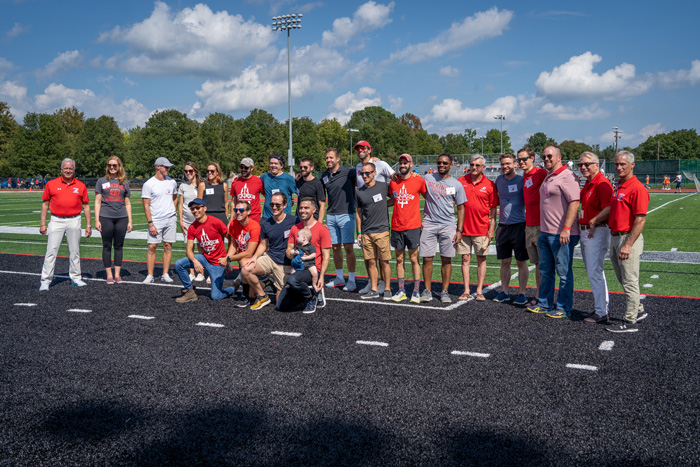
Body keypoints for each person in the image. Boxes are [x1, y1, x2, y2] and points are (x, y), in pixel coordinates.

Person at [526, 146, 580, 318]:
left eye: (550, 156)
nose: (546, 158)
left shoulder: (567, 176)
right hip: (545, 232)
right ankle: (544, 303)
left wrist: (566, 228)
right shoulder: (549, 175)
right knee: (546, 271)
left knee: (563, 273)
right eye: (544, 156)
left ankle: (564, 308)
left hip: (562, 234)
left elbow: (574, 202)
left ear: (559, 157)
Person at [602, 151, 650, 332]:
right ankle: (638, 309)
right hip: (615, 237)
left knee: (629, 280)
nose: (619, 167)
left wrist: (628, 244)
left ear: (632, 165)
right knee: (622, 278)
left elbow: (640, 220)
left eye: (623, 164)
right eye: (616, 164)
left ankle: (630, 321)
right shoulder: (619, 185)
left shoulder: (637, 188)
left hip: (627, 237)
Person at [38, 158, 92, 290]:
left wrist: (89, 225)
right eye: (66, 168)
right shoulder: (51, 184)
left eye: (71, 168)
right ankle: (45, 281)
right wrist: (42, 224)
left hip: (74, 220)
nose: (68, 170)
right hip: (56, 220)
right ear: (61, 170)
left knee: (75, 251)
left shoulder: (80, 185)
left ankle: (76, 277)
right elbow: (45, 204)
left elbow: (86, 206)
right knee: (51, 251)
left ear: (74, 170)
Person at [419, 153, 466, 303]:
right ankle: (427, 290)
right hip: (429, 223)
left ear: (451, 165)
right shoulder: (428, 178)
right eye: (439, 162)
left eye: (445, 163)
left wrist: (459, 230)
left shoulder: (456, 184)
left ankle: (444, 291)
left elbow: (461, 207)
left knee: (447, 259)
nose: (441, 165)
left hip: (448, 226)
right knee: (427, 258)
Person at [240, 193, 299, 309]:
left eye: (278, 204)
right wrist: (254, 257)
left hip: (285, 263)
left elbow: (307, 231)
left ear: (285, 205)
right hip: (270, 258)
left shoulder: (295, 220)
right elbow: (263, 244)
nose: (274, 207)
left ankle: (271, 282)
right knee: (246, 269)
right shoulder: (266, 223)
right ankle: (263, 297)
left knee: (280, 304)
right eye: (272, 204)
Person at [174, 198, 236, 302]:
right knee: (179, 264)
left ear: (205, 208)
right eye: (192, 209)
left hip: (218, 263)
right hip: (204, 258)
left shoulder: (216, 222)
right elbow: (189, 250)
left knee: (216, 296)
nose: (195, 210)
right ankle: (189, 290)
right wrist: (195, 261)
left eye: (198, 207)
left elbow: (231, 239)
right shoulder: (192, 227)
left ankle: (233, 288)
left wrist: (227, 257)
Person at [577, 152, 614, 324]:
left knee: (595, 272)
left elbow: (609, 207)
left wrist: (594, 219)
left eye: (587, 164)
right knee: (594, 272)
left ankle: (601, 311)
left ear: (597, 165)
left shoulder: (601, 183)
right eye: (581, 165)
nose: (583, 167)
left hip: (596, 231)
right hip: (588, 231)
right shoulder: (590, 183)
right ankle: (600, 307)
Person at [278, 198, 331, 313]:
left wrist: (321, 276)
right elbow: (288, 250)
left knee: (292, 280)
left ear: (314, 210)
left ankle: (311, 298)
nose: (302, 210)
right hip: (298, 269)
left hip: (312, 269)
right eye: (301, 208)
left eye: (306, 208)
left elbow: (326, 257)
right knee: (281, 306)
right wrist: (293, 254)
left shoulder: (322, 229)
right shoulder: (295, 228)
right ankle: (308, 293)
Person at [354, 140, 394, 294]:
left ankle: (385, 285)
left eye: (363, 148)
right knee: (369, 259)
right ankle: (373, 284)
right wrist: (359, 232)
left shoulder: (380, 164)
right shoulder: (358, 168)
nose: (360, 151)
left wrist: (382, 204)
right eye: (358, 149)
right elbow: (358, 210)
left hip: (381, 224)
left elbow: (394, 177)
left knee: (384, 260)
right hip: (366, 224)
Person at [457, 154, 497, 301]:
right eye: (472, 164)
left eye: (477, 165)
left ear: (483, 167)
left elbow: (493, 210)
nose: (474, 167)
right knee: (465, 259)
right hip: (463, 228)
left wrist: (491, 229)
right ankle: (466, 290)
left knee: (481, 259)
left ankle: (479, 290)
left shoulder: (490, 185)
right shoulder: (461, 181)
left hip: (481, 229)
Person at [388, 154, 426, 303]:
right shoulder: (393, 182)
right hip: (397, 226)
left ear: (411, 164)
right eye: (401, 163)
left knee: (414, 259)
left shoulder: (419, 180)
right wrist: (375, 206)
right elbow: (392, 200)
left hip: (413, 226)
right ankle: (401, 290)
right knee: (399, 259)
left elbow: (428, 197)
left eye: (405, 163)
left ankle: (416, 291)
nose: (403, 165)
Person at [492, 153, 529, 305]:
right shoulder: (499, 180)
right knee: (505, 261)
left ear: (515, 164)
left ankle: (522, 293)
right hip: (503, 227)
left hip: (519, 225)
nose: (505, 166)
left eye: (508, 163)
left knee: (521, 262)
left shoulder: (522, 180)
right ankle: (505, 291)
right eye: (502, 164)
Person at [320, 148, 357, 292]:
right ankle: (340, 278)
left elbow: (365, 170)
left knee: (348, 248)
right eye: (326, 158)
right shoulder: (324, 175)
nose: (328, 160)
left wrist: (375, 162)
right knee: (335, 248)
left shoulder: (349, 171)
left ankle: (352, 280)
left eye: (331, 158)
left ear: (338, 159)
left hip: (346, 214)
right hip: (331, 215)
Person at [94, 156, 132, 284]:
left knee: (119, 246)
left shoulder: (124, 182)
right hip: (105, 217)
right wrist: (96, 220)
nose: (112, 167)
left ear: (119, 166)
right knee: (106, 245)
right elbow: (98, 202)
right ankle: (109, 275)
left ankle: (117, 275)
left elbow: (127, 203)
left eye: (114, 165)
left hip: (121, 218)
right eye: (110, 165)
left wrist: (130, 220)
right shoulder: (101, 181)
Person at [518, 147, 547, 307]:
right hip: (529, 225)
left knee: (543, 264)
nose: (521, 162)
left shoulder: (540, 173)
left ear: (532, 158)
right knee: (537, 263)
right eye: (519, 160)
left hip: (541, 225)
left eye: (524, 159)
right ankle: (538, 295)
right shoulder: (524, 176)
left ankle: (541, 297)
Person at [142, 157, 178, 283]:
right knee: (152, 246)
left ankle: (165, 273)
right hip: (156, 220)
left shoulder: (172, 182)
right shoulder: (148, 184)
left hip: (170, 219)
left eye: (169, 167)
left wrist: (172, 212)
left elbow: (175, 198)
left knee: (168, 246)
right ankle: (150, 275)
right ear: (158, 166)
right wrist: (150, 223)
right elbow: (146, 205)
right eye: (166, 167)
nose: (168, 169)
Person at [178, 161, 202, 281]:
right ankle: (192, 272)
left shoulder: (202, 185)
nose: (188, 173)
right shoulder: (183, 186)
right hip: (187, 222)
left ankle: (201, 272)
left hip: (200, 221)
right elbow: (181, 204)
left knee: (201, 246)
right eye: (186, 171)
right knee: (189, 247)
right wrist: (181, 221)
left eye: (190, 171)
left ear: (195, 171)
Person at [227, 200, 260, 284]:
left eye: (241, 210)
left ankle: (263, 281)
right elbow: (233, 245)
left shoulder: (254, 226)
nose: (238, 212)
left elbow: (249, 253)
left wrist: (229, 258)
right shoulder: (233, 224)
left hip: (255, 257)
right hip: (242, 256)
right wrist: (227, 258)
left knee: (250, 290)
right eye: (236, 210)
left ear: (248, 212)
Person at [260, 154, 296, 219]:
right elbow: (252, 180)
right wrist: (240, 176)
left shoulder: (289, 179)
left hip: (284, 218)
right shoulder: (265, 176)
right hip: (267, 217)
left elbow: (299, 193)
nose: (273, 165)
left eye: (276, 163)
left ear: (281, 165)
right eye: (271, 163)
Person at [230, 157, 263, 222]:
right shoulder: (235, 181)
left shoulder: (258, 181)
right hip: (239, 217)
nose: (243, 169)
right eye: (241, 167)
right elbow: (233, 202)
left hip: (254, 218)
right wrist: (231, 219)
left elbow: (267, 197)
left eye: (246, 168)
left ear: (252, 168)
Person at [198, 162, 229, 227]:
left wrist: (225, 217)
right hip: (207, 217)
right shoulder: (202, 185)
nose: (209, 173)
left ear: (217, 172)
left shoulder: (224, 186)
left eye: (212, 171)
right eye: (208, 171)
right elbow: (199, 204)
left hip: (221, 217)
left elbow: (226, 203)